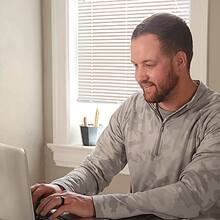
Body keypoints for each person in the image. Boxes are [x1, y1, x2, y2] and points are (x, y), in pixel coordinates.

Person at [32, 13, 220, 220]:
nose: (139, 76)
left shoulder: (213, 116)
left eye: (149, 65)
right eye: (135, 65)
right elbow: (96, 168)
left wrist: (95, 205)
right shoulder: (132, 108)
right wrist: (59, 188)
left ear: (180, 61)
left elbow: (191, 196)